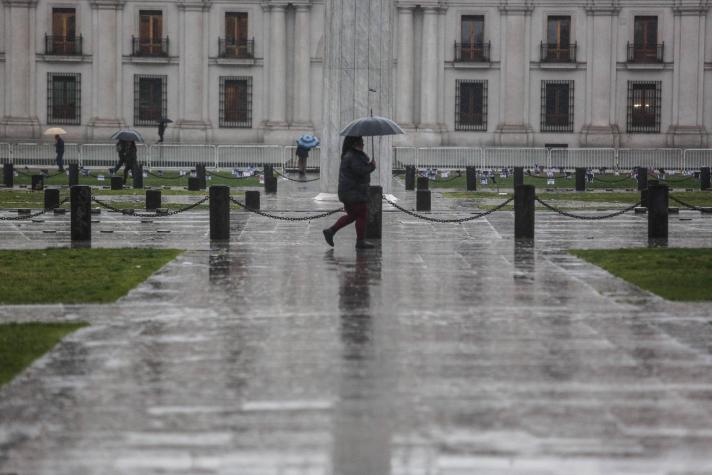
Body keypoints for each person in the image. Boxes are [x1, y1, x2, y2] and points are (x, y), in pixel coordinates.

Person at [322, 136, 376, 250]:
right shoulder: (353, 156)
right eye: (362, 142)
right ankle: (360, 241)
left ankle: (331, 231)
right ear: (355, 143)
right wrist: (371, 166)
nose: (363, 144)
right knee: (362, 215)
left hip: (349, 192)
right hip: (354, 192)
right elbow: (360, 171)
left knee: (352, 216)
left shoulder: (351, 155)